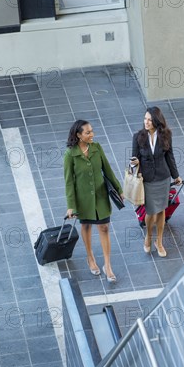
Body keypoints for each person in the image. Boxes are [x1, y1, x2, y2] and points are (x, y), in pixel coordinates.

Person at [64, 120, 123, 283]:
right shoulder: (70, 154)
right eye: (88, 132)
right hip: (83, 199)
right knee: (87, 225)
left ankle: (108, 265)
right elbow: (68, 181)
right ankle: (90, 258)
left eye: (92, 131)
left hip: (101, 196)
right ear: (78, 135)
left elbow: (107, 169)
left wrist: (119, 189)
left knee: (104, 227)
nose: (92, 135)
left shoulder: (97, 148)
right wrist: (71, 206)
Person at [131, 106, 182, 257]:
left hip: (163, 177)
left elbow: (169, 156)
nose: (146, 122)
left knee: (161, 211)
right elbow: (134, 159)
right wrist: (134, 178)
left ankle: (159, 241)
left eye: (149, 119)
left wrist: (176, 175)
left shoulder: (166, 135)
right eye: (145, 119)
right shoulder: (138, 137)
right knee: (150, 211)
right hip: (147, 179)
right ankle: (148, 236)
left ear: (156, 121)